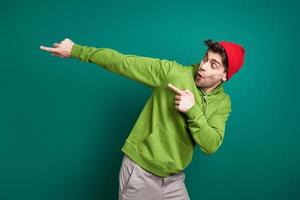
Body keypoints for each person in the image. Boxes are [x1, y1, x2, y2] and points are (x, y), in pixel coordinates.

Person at [40, 38, 245, 200]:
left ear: (225, 75)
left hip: (174, 179)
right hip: (140, 173)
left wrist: (192, 110)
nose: (203, 66)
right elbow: (122, 62)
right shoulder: (173, 73)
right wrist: (76, 50)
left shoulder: (223, 103)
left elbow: (211, 145)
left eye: (213, 65)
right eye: (205, 58)